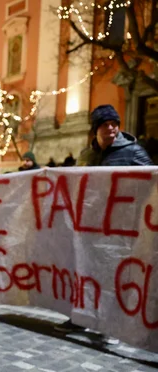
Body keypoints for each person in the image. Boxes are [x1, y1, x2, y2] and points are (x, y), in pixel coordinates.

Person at [56, 104, 153, 343]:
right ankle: (81, 317)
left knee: (112, 274)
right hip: (88, 225)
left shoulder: (133, 152)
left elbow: (152, 183)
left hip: (118, 226)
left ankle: (111, 325)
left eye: (114, 124)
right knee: (84, 271)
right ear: (95, 130)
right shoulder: (86, 156)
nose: (111, 128)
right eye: (105, 125)